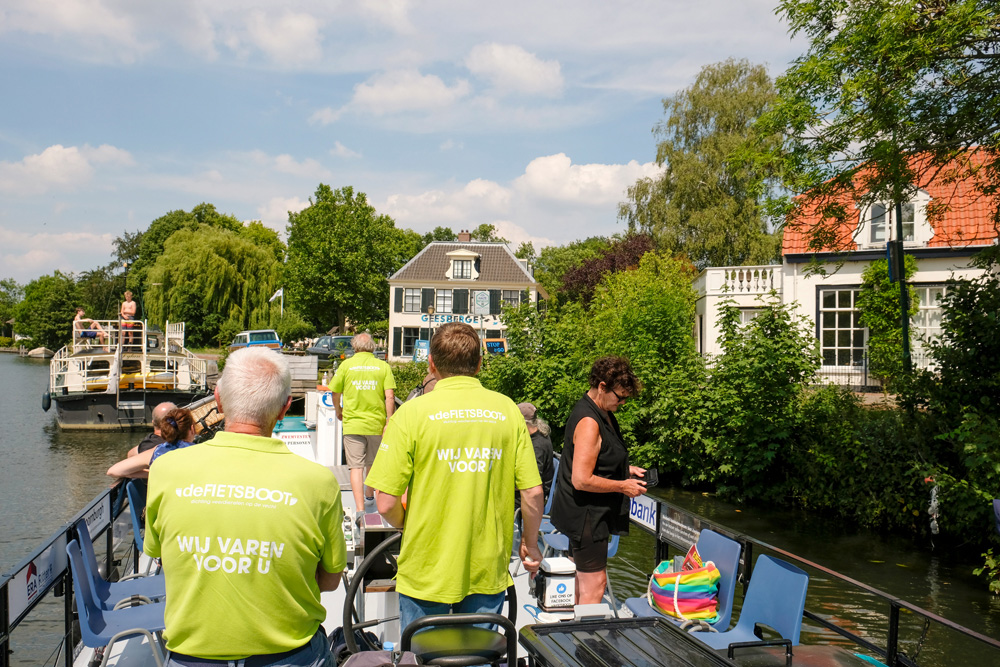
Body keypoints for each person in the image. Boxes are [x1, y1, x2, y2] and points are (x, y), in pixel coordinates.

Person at [145, 347, 346, 665]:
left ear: (219, 400)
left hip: (191, 658)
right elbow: (331, 579)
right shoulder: (318, 482)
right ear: (285, 409)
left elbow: (160, 556)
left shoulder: (166, 469)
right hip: (289, 657)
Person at [366, 322, 544, 632]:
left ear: (431, 364)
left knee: (422, 657)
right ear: (479, 363)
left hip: (425, 565)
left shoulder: (411, 414)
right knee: (478, 658)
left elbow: (385, 504)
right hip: (485, 566)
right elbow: (532, 493)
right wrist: (531, 543)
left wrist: (406, 524)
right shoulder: (507, 412)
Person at [549, 355, 645, 605]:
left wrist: (625, 468)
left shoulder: (598, 409)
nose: (622, 402)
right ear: (602, 386)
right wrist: (623, 485)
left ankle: (577, 636)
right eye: (620, 396)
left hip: (584, 513)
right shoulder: (591, 421)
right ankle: (586, 641)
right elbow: (581, 479)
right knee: (595, 584)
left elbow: (597, 455)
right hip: (588, 516)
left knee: (583, 579)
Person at [330, 332, 396, 516]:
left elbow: (335, 392)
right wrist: (388, 420)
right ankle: (369, 496)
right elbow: (389, 396)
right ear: (373, 347)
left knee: (356, 467)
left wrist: (338, 410)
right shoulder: (382, 366)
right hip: (376, 423)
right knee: (374, 463)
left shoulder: (346, 366)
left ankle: (359, 509)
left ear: (355, 346)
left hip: (353, 424)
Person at [106, 407, 196, 480]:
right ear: (192, 429)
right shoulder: (199, 451)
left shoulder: (158, 450)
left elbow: (113, 471)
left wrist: (152, 474)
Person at [516, 402, 554, 508]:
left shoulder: (537, 446)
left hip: (531, 497)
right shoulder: (538, 434)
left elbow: (531, 482)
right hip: (527, 491)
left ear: (522, 423)